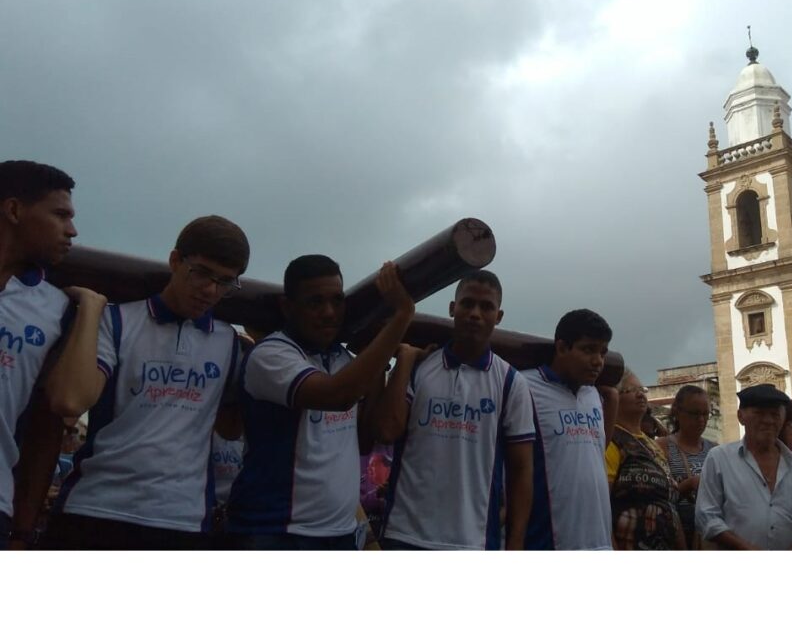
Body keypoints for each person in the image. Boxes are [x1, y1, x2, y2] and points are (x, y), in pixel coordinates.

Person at [43, 215, 250, 549]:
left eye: (225, 282)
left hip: (183, 518)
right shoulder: (117, 320)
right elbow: (69, 400)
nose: (211, 290)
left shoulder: (229, 343)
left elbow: (231, 429)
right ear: (175, 261)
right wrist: (92, 308)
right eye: (201, 274)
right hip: (96, 507)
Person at [225, 256, 414, 549]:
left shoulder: (341, 359)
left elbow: (365, 441)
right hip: (272, 530)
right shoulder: (271, 355)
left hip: (339, 532)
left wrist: (380, 354)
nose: (329, 312)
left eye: (337, 301)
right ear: (288, 307)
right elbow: (337, 396)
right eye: (315, 302)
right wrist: (401, 316)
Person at [373, 270, 534, 550]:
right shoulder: (420, 368)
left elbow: (521, 470)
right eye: (467, 303)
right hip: (404, 533)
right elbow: (386, 431)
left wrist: (516, 543)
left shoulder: (511, 383)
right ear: (452, 308)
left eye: (486, 307)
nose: (475, 313)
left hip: (473, 540)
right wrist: (405, 360)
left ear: (499, 317)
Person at [0, 161, 100, 550]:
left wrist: (23, 530)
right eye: (60, 215)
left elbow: (46, 426)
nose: (72, 230)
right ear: (13, 211)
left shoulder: (54, 308)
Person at [523, 308, 619, 550]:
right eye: (588, 350)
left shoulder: (594, 395)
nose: (598, 361)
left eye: (602, 352)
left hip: (600, 543)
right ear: (562, 347)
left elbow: (595, 456)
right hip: (549, 542)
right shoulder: (524, 386)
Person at [697, 385, 792, 550]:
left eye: (774, 414)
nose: (768, 420)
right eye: (759, 413)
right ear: (740, 416)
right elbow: (706, 516)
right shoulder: (719, 459)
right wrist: (746, 549)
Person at [606, 369, 684, 549]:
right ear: (614, 398)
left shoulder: (652, 445)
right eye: (630, 390)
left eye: (642, 389)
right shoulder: (611, 441)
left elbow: (668, 501)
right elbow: (602, 504)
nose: (640, 394)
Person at [658, 385, 717, 547]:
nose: (701, 420)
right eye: (694, 414)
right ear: (677, 412)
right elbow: (657, 496)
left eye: (705, 414)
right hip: (675, 536)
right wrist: (688, 485)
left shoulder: (715, 450)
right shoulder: (661, 447)